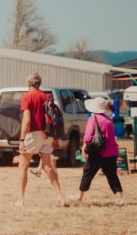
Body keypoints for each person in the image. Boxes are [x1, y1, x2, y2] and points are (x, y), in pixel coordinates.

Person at [15, 72, 66, 207]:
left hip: (33, 133)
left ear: (28, 84)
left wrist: (21, 140)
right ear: (39, 83)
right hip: (47, 134)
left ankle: (21, 200)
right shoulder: (47, 96)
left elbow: (27, 119)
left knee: (23, 165)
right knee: (48, 166)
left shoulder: (27, 97)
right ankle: (60, 197)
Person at [69, 97, 124, 205]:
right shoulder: (108, 120)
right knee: (112, 175)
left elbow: (88, 136)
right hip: (111, 152)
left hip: (97, 152)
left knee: (87, 173)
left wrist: (84, 147)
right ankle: (120, 197)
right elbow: (112, 138)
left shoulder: (93, 118)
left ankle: (79, 196)